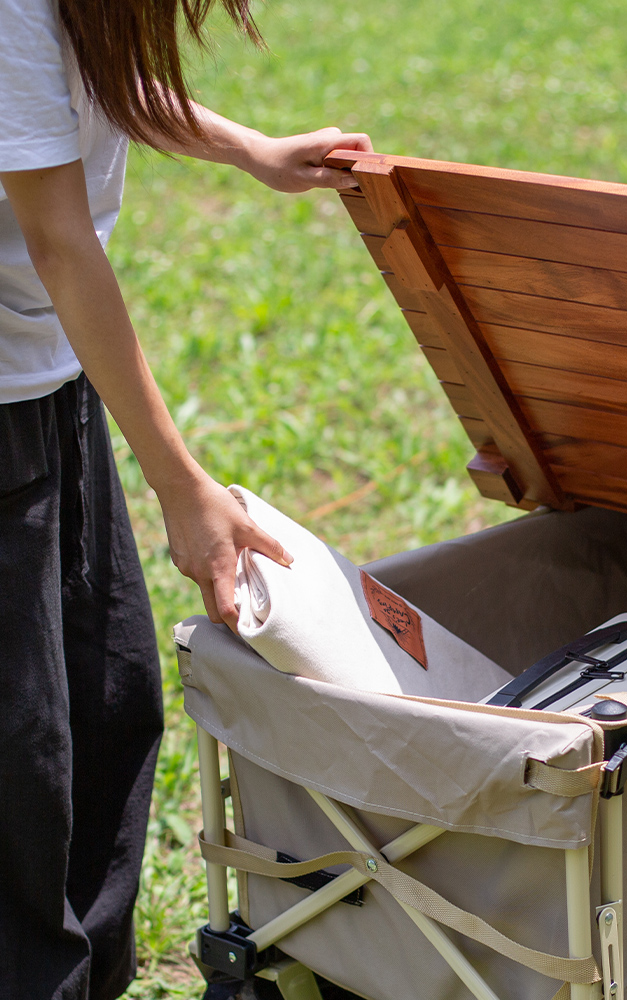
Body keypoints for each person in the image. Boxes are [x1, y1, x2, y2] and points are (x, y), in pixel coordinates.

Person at [0, 0, 372, 996]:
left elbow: (97, 82)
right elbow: (61, 243)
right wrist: (182, 484)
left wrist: (249, 148)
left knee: (113, 699)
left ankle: (92, 975)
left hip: (50, 371)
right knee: (20, 765)